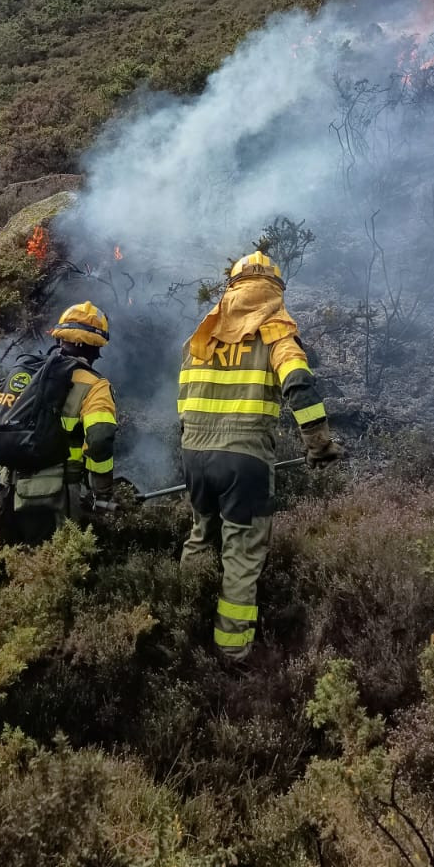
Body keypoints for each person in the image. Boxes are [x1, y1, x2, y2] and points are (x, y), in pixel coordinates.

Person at [178, 251, 341, 665]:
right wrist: (319, 446)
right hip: (244, 462)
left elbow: (183, 401)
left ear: (232, 287)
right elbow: (300, 388)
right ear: (273, 290)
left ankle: (179, 616)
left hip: (194, 455)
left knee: (200, 536)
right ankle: (232, 654)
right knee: (242, 555)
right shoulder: (277, 332)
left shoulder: (204, 334)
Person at [0, 301, 118, 546]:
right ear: (94, 346)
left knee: (17, 563)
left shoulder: (29, 372)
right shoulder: (95, 386)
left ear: (61, 338)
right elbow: (100, 438)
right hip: (55, 494)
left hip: (6, 487)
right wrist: (101, 492)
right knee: (59, 566)